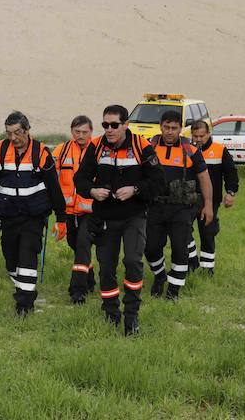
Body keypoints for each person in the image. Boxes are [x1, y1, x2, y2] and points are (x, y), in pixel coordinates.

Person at [74, 104, 164, 336]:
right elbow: (80, 179)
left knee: (133, 261)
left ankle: (131, 315)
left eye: (114, 125)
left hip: (134, 215)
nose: (109, 130)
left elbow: (159, 182)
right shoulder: (96, 146)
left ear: (126, 125)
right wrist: (92, 191)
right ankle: (111, 311)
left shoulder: (141, 146)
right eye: (105, 125)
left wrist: (135, 189)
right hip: (105, 217)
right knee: (106, 268)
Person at [0, 111, 67, 316]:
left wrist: (61, 219)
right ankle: (23, 289)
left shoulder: (42, 153)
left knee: (27, 257)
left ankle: (24, 307)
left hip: (33, 216)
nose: (13, 138)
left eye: (17, 133)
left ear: (27, 130)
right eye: (9, 133)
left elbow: (54, 188)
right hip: (7, 214)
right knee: (11, 260)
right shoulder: (0, 148)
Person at [145, 110, 214, 301]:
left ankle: (173, 291)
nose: (169, 132)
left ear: (180, 129)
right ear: (160, 127)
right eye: (166, 127)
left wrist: (208, 205)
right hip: (154, 207)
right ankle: (160, 276)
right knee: (150, 248)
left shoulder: (191, 150)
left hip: (181, 208)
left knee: (180, 249)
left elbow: (204, 178)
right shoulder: (148, 147)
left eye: (174, 128)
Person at [52, 115, 97, 304]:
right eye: (77, 132)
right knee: (76, 246)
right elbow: (51, 178)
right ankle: (90, 276)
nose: (81, 135)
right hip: (67, 211)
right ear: (71, 131)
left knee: (82, 244)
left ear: (91, 132)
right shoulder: (61, 151)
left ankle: (77, 291)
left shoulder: (98, 150)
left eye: (84, 132)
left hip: (90, 211)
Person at [188, 120, 238, 275]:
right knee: (182, 231)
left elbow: (231, 173)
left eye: (202, 136)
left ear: (209, 134)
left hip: (210, 200)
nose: (198, 139)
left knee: (207, 234)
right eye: (195, 136)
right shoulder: (187, 150)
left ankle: (207, 268)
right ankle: (191, 261)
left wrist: (230, 192)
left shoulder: (219, 150)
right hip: (188, 199)